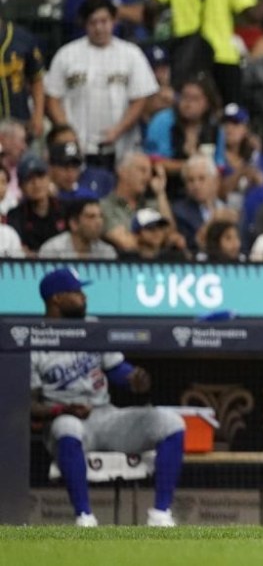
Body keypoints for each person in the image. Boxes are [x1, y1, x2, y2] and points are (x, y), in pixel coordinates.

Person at [31, 268, 186, 527]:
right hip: (67, 423)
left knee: (171, 423)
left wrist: (134, 378)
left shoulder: (92, 326)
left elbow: (116, 370)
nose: (84, 297)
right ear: (56, 298)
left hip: (106, 415)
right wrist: (62, 410)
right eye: (77, 292)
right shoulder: (34, 338)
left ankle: (160, 514)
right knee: (67, 426)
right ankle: (84, 517)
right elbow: (28, 404)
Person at [44, 0, 158, 167]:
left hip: (121, 144)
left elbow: (140, 99)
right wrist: (67, 132)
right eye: (93, 22)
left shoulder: (131, 54)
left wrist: (119, 129)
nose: (99, 28)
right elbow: (52, 97)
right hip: (78, 144)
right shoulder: (66, 55)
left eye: (104, 21)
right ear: (84, 24)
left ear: (114, 21)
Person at [150, 0, 262, 104]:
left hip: (186, 56)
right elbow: (254, 16)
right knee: (229, 111)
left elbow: (151, 6)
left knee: (184, 107)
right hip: (223, 56)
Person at [6, 154, 66, 253]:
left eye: (40, 176)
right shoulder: (15, 216)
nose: (36, 184)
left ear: (49, 179)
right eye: (29, 179)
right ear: (21, 186)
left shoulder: (65, 209)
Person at [38, 198, 116, 260]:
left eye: (100, 216)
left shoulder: (106, 252)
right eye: (91, 217)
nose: (99, 222)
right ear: (74, 224)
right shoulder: (53, 250)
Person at [118, 209, 188, 262]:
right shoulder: (125, 260)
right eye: (150, 228)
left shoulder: (173, 259)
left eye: (160, 227)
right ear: (137, 233)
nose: (157, 232)